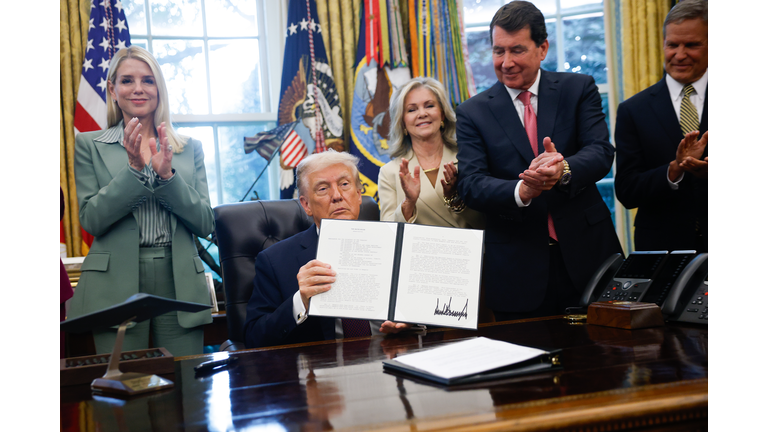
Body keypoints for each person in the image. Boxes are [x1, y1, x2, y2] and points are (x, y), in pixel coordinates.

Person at [456, 1, 623, 321]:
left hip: (589, 257)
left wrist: (564, 170)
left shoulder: (578, 88)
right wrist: (522, 191)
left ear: (542, 48)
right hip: (517, 269)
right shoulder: (472, 112)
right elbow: (470, 183)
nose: (505, 62)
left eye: (517, 50)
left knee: (606, 364)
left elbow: (601, 151)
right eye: (498, 51)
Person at [71, 46, 214, 356]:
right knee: (121, 391)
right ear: (112, 89)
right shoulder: (88, 145)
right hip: (114, 282)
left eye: (148, 80)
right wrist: (134, 171)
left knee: (187, 392)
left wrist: (168, 179)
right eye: (127, 81)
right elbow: (91, 220)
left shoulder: (189, 148)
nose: (138, 89)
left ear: (159, 89)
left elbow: (205, 223)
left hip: (179, 280)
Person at [244, 150, 411, 348]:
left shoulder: (395, 245)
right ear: (306, 205)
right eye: (323, 189)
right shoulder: (274, 261)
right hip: (322, 370)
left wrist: (410, 322)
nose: (337, 196)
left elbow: (423, 311)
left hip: (389, 359)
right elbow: (254, 338)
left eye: (345, 184)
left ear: (359, 195)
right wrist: (301, 301)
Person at [614, 0, 708, 253]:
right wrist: (674, 169)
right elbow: (626, 190)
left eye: (692, 45)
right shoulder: (633, 110)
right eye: (672, 45)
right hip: (663, 253)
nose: (679, 54)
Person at [378, 77, 484, 229]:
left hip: (472, 250)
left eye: (429, 106)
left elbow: (490, 222)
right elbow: (388, 233)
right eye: (412, 109)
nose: (422, 113)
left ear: (442, 114)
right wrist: (409, 203)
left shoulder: (469, 156)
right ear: (402, 123)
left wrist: (455, 198)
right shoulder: (390, 173)